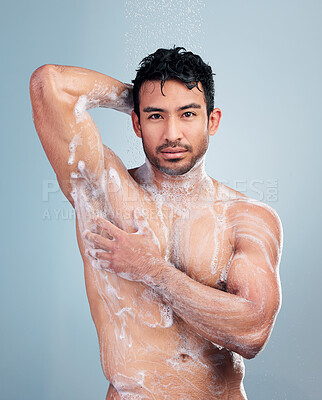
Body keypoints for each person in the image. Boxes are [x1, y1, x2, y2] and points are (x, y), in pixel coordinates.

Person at [30, 47, 283, 399]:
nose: (171, 133)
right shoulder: (104, 192)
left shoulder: (246, 217)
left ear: (212, 120)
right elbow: (50, 84)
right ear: (136, 122)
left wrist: (152, 269)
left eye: (188, 114)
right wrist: (137, 98)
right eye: (155, 117)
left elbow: (252, 332)